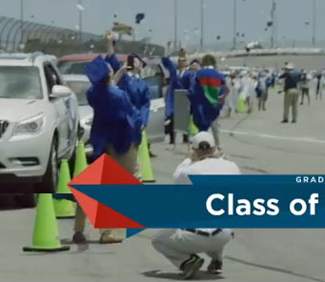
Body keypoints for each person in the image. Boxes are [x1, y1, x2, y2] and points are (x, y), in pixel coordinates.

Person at [152, 131, 240, 278]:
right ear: (214, 148)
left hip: (196, 236)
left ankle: (187, 261)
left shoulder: (189, 171)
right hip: (224, 234)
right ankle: (217, 259)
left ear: (194, 151)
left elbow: (177, 177)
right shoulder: (232, 167)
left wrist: (187, 160)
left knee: (158, 240)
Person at [73, 52, 139, 245]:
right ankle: (107, 232)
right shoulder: (118, 96)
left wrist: (114, 76)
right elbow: (130, 116)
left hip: (101, 141)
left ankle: (79, 228)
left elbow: (106, 88)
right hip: (121, 142)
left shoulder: (94, 93)